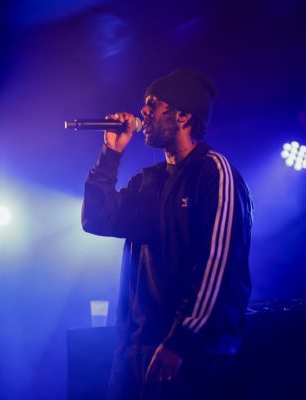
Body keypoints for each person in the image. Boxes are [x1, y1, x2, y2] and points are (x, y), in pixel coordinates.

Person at [82, 70, 253, 399]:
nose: (143, 111)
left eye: (154, 103)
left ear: (183, 115)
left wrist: (179, 342)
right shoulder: (147, 181)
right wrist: (110, 154)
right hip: (137, 350)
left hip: (192, 355)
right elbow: (96, 219)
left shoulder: (214, 172)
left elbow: (218, 265)